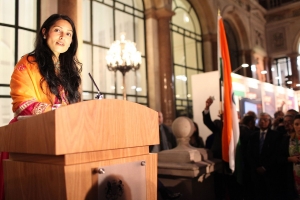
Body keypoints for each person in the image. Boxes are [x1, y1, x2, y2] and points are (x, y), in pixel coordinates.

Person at [0, 14, 82, 200]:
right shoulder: (27, 63)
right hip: (27, 135)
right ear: (45, 33)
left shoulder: (68, 70)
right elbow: (22, 104)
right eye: (58, 30)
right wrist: (59, 112)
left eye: (69, 34)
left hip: (63, 136)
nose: (63, 37)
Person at [247, 112, 281, 199]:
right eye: (261, 120)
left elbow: (276, 153)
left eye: (265, 120)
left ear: (269, 122)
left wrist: (265, 167)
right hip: (255, 172)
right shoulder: (252, 135)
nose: (262, 122)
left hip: (270, 172)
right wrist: (256, 166)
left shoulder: (275, 135)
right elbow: (249, 153)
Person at [150, 111, 181, 200]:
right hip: (153, 158)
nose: (158, 119)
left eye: (160, 116)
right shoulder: (150, 129)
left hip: (167, 157)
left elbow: (174, 144)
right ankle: (166, 193)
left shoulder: (168, 130)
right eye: (157, 117)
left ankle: (166, 193)